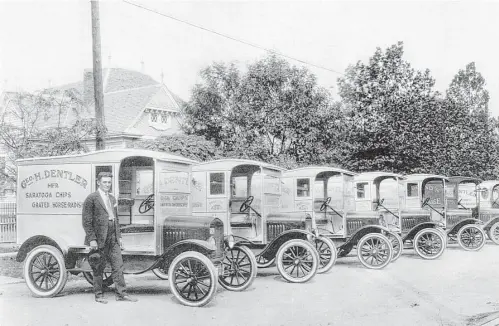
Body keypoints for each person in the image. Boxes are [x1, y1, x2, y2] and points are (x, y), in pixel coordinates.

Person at [82, 171, 138, 304]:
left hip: (113, 238)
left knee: (118, 266)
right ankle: (98, 295)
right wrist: (92, 239)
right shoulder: (92, 198)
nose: (107, 185)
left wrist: (120, 237)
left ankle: (121, 294)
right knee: (98, 267)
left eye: (109, 182)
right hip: (99, 239)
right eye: (105, 182)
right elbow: (86, 221)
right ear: (98, 182)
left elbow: (116, 219)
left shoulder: (112, 198)